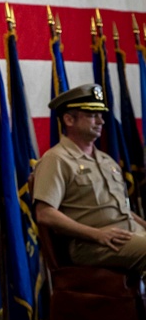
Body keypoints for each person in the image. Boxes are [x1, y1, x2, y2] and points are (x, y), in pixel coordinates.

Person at [32, 83, 146, 274]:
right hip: (92, 245)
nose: (101, 121)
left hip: (128, 235)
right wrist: (97, 234)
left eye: (101, 115)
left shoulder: (105, 160)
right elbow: (45, 213)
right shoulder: (57, 159)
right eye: (93, 116)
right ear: (69, 119)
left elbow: (122, 209)